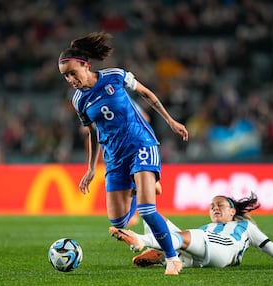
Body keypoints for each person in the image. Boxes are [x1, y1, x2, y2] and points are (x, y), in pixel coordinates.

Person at [58, 31, 189, 275]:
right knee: (118, 223)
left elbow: (146, 93)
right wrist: (90, 168)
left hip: (141, 144)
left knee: (147, 210)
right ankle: (140, 187)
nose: (70, 79)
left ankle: (173, 259)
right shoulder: (78, 101)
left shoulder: (115, 76)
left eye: (73, 73)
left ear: (86, 66)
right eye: (65, 76)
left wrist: (171, 121)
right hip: (115, 157)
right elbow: (92, 133)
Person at [109, 192, 273, 268]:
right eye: (212, 206)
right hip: (202, 255)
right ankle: (165, 257)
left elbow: (272, 248)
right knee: (155, 216)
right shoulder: (208, 226)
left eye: (220, 205)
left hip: (223, 250)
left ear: (232, 211)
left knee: (184, 237)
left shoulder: (245, 226)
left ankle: (142, 241)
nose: (215, 208)